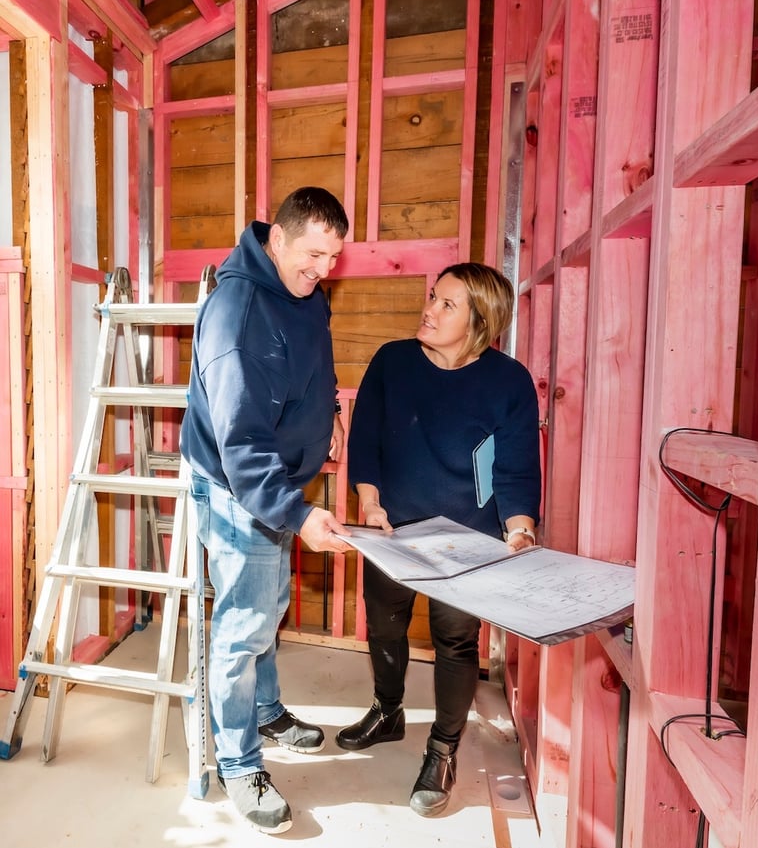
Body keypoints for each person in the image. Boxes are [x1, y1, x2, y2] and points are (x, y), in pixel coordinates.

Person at [335, 262, 541, 817]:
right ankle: (387, 710)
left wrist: (520, 529)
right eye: (433, 296)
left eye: (447, 304)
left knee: (455, 642)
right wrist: (370, 503)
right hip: (392, 530)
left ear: (480, 322)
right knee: (385, 625)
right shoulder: (392, 361)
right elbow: (367, 441)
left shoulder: (509, 381)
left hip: (467, 539)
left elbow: (517, 467)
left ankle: (443, 750)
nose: (428, 309)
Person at [180, 186, 351, 835]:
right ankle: (238, 760)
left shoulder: (302, 291)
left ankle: (266, 708)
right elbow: (242, 443)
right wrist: (297, 514)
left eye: (333, 258)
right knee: (244, 622)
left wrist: (330, 411)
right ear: (277, 239)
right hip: (238, 486)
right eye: (313, 255)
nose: (324, 270)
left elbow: (316, 362)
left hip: (277, 484)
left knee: (269, 604)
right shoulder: (238, 315)